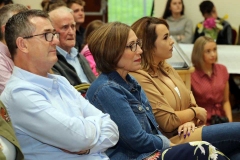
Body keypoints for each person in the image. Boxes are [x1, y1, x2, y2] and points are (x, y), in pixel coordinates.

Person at [85, 21, 229, 160]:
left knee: (233, 151)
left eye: (138, 44)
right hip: (139, 156)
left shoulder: (131, 81)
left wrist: (187, 122)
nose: (140, 51)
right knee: (204, 150)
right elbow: (137, 139)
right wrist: (169, 145)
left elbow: (153, 129)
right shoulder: (106, 90)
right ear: (112, 52)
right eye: (132, 46)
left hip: (155, 148)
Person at [1, 9, 119, 159]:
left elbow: (112, 129)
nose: (55, 41)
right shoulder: (19, 94)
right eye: (47, 35)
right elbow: (79, 138)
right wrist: (91, 129)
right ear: (23, 44)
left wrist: (87, 146)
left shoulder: (60, 81)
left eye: (54, 34)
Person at [129, 16, 240, 159]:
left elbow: (191, 100)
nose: (172, 41)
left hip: (190, 130)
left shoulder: (165, 67)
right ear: (149, 45)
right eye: (165, 37)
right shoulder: (140, 76)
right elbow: (168, 121)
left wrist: (190, 120)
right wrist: (194, 112)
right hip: (172, 141)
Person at [49, 6, 96, 87]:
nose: (71, 32)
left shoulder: (80, 56)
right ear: (53, 32)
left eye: (73, 26)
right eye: (65, 27)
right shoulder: (50, 62)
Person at [191, 36, 232, 125]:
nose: (213, 54)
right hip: (202, 121)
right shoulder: (192, 74)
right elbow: (190, 106)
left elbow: (226, 101)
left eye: (214, 50)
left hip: (221, 118)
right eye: (208, 51)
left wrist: (230, 121)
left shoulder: (222, 69)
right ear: (199, 53)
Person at [0, 4, 28, 94]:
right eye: (23, 25)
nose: (29, 30)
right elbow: (16, 95)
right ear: (6, 30)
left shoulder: (26, 50)